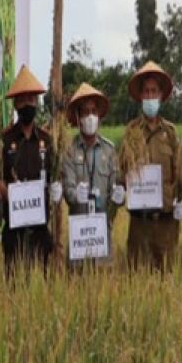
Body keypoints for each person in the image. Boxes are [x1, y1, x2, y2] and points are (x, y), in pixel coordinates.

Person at [119, 61, 182, 271]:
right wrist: (120, 188)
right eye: (146, 92)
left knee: (166, 281)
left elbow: (179, 173)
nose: (150, 96)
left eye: (153, 91)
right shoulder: (131, 132)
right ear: (140, 97)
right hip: (139, 224)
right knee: (137, 282)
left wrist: (180, 200)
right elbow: (122, 171)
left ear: (161, 95)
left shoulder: (171, 133)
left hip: (165, 223)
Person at [0, 65, 58, 278]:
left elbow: (53, 175)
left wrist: (56, 188)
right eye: (22, 100)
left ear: (37, 102)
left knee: (41, 290)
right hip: (14, 231)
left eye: (31, 99)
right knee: (14, 289)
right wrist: (0, 188)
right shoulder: (4, 141)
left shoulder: (47, 141)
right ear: (15, 104)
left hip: (40, 229)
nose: (27, 104)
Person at [60, 83, 124, 266]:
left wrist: (119, 197)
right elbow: (68, 191)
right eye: (85, 112)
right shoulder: (69, 151)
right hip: (79, 235)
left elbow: (116, 187)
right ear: (78, 118)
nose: (90, 117)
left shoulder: (109, 150)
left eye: (93, 112)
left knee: (103, 288)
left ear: (99, 116)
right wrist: (75, 195)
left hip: (103, 233)